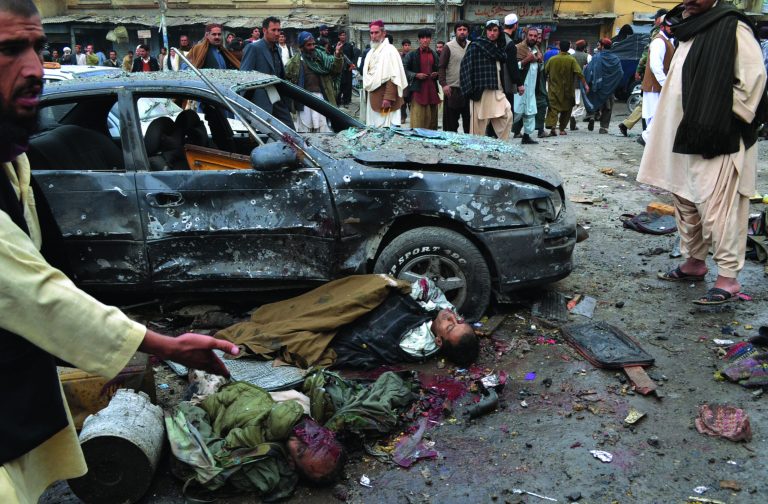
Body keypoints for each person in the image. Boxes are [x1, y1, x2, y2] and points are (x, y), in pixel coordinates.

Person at [0, 3, 239, 502]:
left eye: (38, 48)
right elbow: (40, 296)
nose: (35, 69)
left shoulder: (13, 163)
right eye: (8, 50)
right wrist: (166, 345)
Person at [638, 0, 767, 305]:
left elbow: (754, 81)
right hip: (683, 135)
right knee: (685, 201)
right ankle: (694, 263)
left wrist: (717, 116)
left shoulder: (732, 26)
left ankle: (728, 279)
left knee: (720, 206)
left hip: (719, 137)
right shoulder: (688, 29)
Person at [215, 275, 480, 369]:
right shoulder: (437, 320)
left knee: (291, 323)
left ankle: (233, 323)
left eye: (450, 326)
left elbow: (368, 330)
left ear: (438, 341)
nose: (451, 316)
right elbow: (431, 295)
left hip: (349, 326)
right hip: (360, 311)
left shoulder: (412, 342)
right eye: (458, 319)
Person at [460, 19, 513, 140]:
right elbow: (465, 68)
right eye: (489, 30)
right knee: (478, 127)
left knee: (507, 115)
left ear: (499, 32)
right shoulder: (476, 46)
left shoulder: (499, 48)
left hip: (496, 90)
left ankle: (502, 144)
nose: (492, 33)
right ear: (486, 31)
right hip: (480, 91)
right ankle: (476, 151)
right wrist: (468, 90)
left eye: (495, 30)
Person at [621, 8, 668, 137]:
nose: (654, 21)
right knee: (648, 105)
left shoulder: (660, 33)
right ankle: (644, 132)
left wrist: (640, 69)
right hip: (655, 74)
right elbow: (647, 54)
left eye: (656, 18)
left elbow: (646, 55)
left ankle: (632, 126)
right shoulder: (658, 35)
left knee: (648, 105)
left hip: (654, 73)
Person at [240, 16, 294, 129]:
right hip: (260, 103)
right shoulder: (254, 48)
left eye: (279, 30)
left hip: (278, 100)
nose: (277, 33)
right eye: (273, 30)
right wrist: (243, 107)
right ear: (264, 30)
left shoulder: (278, 49)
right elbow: (243, 77)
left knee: (290, 131)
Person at [285, 32, 343, 132]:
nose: (312, 47)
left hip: (321, 98)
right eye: (308, 45)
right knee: (305, 130)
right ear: (301, 47)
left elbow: (336, 69)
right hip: (304, 101)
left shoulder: (322, 58)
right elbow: (286, 80)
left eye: (313, 44)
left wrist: (337, 54)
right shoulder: (294, 62)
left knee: (323, 129)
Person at [361, 20, 408, 127]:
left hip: (386, 100)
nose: (373, 36)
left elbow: (393, 77)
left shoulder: (390, 51)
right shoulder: (371, 52)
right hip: (373, 98)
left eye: (376, 32)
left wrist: (388, 98)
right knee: (374, 131)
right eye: (371, 33)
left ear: (383, 33)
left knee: (386, 129)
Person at [640, 17, 674, 145]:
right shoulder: (659, 42)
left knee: (659, 117)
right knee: (656, 116)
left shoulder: (667, 41)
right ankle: (646, 138)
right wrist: (666, 84)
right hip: (655, 87)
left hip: (659, 86)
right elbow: (656, 66)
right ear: (662, 27)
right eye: (670, 26)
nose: (672, 29)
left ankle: (648, 140)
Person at [544, 40, 588, 136]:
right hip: (567, 90)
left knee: (553, 108)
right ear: (569, 48)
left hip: (554, 89)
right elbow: (579, 73)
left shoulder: (552, 59)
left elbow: (545, 71)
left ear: (559, 47)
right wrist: (585, 85)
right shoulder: (571, 60)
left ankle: (552, 127)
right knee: (567, 109)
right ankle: (562, 129)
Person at [403, 28, 441, 130]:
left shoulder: (434, 54)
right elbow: (403, 70)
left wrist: (436, 74)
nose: (425, 40)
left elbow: (440, 70)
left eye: (427, 38)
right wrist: (416, 75)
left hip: (432, 90)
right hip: (418, 91)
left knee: (432, 122)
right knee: (417, 121)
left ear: (430, 39)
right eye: (422, 38)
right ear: (419, 40)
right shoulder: (411, 55)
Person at [583, 38, 623, 134]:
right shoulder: (615, 59)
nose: (597, 47)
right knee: (608, 106)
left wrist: (586, 72)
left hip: (597, 86)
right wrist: (613, 83)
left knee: (594, 100)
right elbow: (620, 73)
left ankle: (592, 116)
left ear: (603, 46)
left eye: (598, 45)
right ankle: (604, 127)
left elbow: (590, 70)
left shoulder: (597, 57)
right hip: (609, 88)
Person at [438, 20, 470, 133]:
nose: (462, 32)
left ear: (468, 32)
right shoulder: (448, 47)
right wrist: (444, 85)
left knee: (469, 123)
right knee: (450, 125)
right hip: (452, 90)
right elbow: (441, 67)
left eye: (464, 30)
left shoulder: (472, 46)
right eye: (459, 30)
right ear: (455, 32)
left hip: (468, 90)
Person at [513, 27, 542, 144]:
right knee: (514, 112)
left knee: (530, 113)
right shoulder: (518, 48)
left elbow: (538, 68)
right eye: (530, 35)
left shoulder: (536, 49)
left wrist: (540, 61)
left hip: (531, 89)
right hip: (519, 87)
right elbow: (513, 67)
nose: (533, 38)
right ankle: (494, 135)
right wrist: (527, 60)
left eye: (535, 36)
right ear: (526, 35)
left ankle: (526, 136)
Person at [569, 39, 590, 130]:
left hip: (572, 84)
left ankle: (573, 120)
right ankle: (574, 116)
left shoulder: (571, 56)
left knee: (573, 104)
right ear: (584, 47)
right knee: (581, 105)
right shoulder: (588, 56)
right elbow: (590, 70)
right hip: (582, 84)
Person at [336, 31, 355, 107]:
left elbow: (353, 56)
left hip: (348, 69)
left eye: (344, 35)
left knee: (348, 85)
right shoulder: (336, 45)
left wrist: (352, 65)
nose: (343, 37)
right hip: (339, 69)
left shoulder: (349, 45)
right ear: (339, 36)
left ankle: (346, 100)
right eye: (342, 35)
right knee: (339, 85)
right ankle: (338, 100)